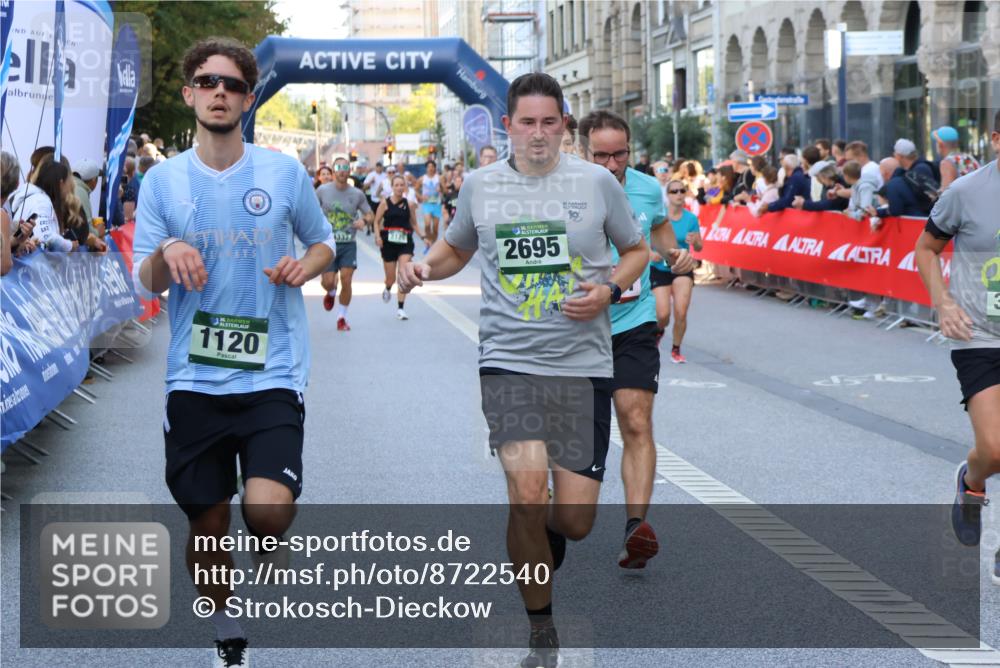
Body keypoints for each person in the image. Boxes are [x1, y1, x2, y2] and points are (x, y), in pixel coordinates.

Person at [398, 72, 649, 668]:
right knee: (527, 494)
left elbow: (637, 251)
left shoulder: (595, 183)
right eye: (526, 122)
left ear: (565, 124)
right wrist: (424, 268)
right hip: (507, 362)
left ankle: (546, 540)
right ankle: (542, 627)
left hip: (582, 364)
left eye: (549, 122)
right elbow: (456, 246)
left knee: (575, 520)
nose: (538, 133)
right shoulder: (482, 185)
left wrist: (610, 289)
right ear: (507, 125)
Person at [132, 38, 334, 668]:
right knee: (208, 523)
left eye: (232, 84)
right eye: (207, 82)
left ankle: (266, 519)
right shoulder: (162, 181)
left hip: (272, 370)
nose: (219, 92)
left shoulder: (283, 173)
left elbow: (324, 243)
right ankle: (223, 619)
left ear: (248, 99)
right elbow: (147, 278)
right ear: (190, 93)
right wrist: (167, 254)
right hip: (194, 378)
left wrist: (305, 265)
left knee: (268, 513)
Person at [578, 110, 694, 570]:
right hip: (578, 329)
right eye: (601, 154)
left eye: (619, 153)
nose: (611, 164)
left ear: (630, 150)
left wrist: (673, 253)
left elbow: (660, 228)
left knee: (636, 418)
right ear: (584, 150)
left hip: (634, 321)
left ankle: (635, 529)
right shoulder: (566, 189)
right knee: (582, 447)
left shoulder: (646, 187)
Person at [914, 109, 1000, 586]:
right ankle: (971, 483)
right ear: (995, 139)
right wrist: (942, 302)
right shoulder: (964, 193)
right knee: (994, 447)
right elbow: (924, 249)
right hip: (980, 334)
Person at [316, 156, 373, 331]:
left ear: (349, 171)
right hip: (328, 243)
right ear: (333, 172)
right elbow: (310, 211)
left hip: (348, 243)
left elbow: (370, 214)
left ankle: (341, 317)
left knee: (346, 280)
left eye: (345, 168)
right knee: (328, 282)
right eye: (338, 168)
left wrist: (364, 221)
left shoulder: (357, 194)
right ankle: (331, 292)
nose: (342, 171)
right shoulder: (322, 191)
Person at [650, 177, 702, 361]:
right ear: (668, 195)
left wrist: (696, 241)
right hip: (659, 268)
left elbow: (700, 246)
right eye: (674, 191)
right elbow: (644, 238)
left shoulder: (691, 218)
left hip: (682, 268)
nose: (679, 194)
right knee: (662, 314)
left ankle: (676, 349)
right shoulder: (659, 215)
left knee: (681, 311)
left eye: (682, 191)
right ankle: (658, 332)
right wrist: (650, 253)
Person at [374, 173, 417, 320]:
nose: (399, 187)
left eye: (401, 185)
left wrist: (425, 237)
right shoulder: (384, 203)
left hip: (405, 242)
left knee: (403, 274)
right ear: (392, 187)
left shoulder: (409, 204)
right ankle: (387, 287)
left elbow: (414, 224)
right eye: (396, 185)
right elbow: (376, 221)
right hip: (388, 243)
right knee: (390, 278)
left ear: (405, 187)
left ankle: (400, 308)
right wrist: (377, 236)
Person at [934, 126, 981, 190]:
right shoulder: (969, 157)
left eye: (936, 142)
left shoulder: (947, 163)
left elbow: (946, 194)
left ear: (940, 144)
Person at [417, 159, 442, 249]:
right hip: (427, 204)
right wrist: (420, 197)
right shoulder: (422, 179)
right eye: (429, 167)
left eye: (432, 167)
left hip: (437, 204)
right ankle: (428, 240)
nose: (430, 168)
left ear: (435, 168)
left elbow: (445, 190)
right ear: (426, 168)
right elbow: (416, 189)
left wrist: (441, 190)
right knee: (427, 224)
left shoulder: (439, 178)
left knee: (435, 228)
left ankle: (432, 243)